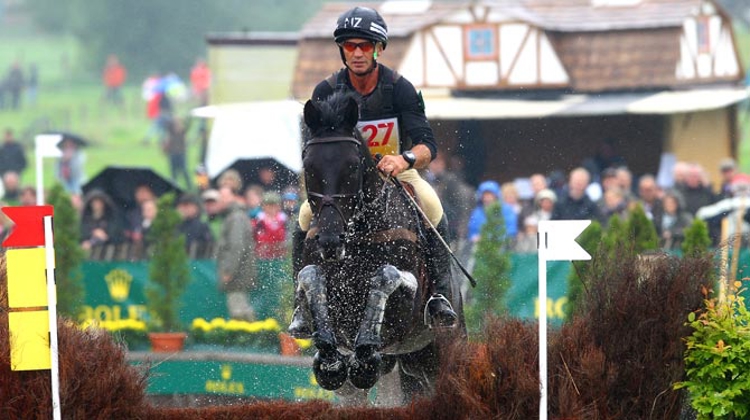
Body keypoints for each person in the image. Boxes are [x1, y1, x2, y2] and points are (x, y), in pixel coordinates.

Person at [289, 6, 458, 336]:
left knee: (433, 206)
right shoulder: (326, 90)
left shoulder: (400, 89)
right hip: (343, 184)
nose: (356, 53)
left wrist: (403, 159)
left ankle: (439, 294)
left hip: (396, 173)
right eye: (350, 46)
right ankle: (300, 302)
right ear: (342, 50)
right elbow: (314, 148)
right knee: (304, 217)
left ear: (378, 48)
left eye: (364, 45)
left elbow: (427, 147)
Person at [215, 185, 257, 322]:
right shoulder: (234, 216)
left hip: (238, 274)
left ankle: (248, 342)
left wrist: (228, 271)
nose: (220, 199)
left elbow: (237, 247)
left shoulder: (236, 217)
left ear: (233, 197)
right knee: (240, 310)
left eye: (223, 196)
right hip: (238, 273)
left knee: (239, 313)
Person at [251, 191, 288, 320]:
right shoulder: (258, 222)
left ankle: (279, 318)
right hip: (262, 262)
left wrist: (281, 247)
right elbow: (252, 241)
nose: (271, 208)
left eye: (274, 205)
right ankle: (261, 319)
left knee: (279, 291)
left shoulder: (285, 221)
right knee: (262, 291)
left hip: (280, 261)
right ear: (263, 206)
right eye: (268, 205)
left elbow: (289, 241)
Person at [176, 193, 214, 258]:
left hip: (196, 263)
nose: (184, 208)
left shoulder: (202, 226)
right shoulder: (175, 225)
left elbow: (209, 246)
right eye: (182, 205)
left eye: (187, 205)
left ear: (196, 208)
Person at [162, 117, 191, 189]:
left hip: (181, 154)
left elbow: (188, 124)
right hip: (173, 154)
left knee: (184, 171)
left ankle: (189, 186)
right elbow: (166, 144)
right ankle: (174, 187)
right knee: (173, 173)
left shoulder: (182, 132)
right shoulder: (170, 134)